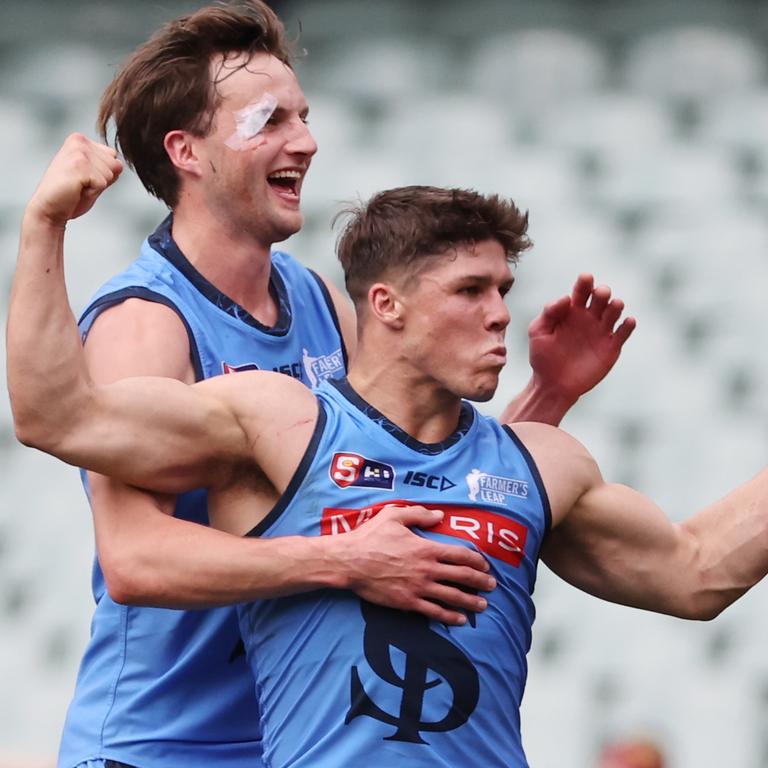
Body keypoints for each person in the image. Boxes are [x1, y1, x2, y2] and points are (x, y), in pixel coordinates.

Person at [19, 4, 635, 768]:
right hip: (162, 747)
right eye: (271, 120)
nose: (305, 141)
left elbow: (425, 483)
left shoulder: (316, 300)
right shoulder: (146, 321)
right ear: (187, 151)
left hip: (288, 740)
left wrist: (550, 395)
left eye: (304, 116)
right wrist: (343, 561)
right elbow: (136, 560)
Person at [10, 182, 768, 768]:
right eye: (471, 290)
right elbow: (57, 417)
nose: (502, 313)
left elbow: (696, 574)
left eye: (505, 288)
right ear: (387, 305)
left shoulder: (541, 460)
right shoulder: (277, 425)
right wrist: (44, 223)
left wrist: (551, 398)